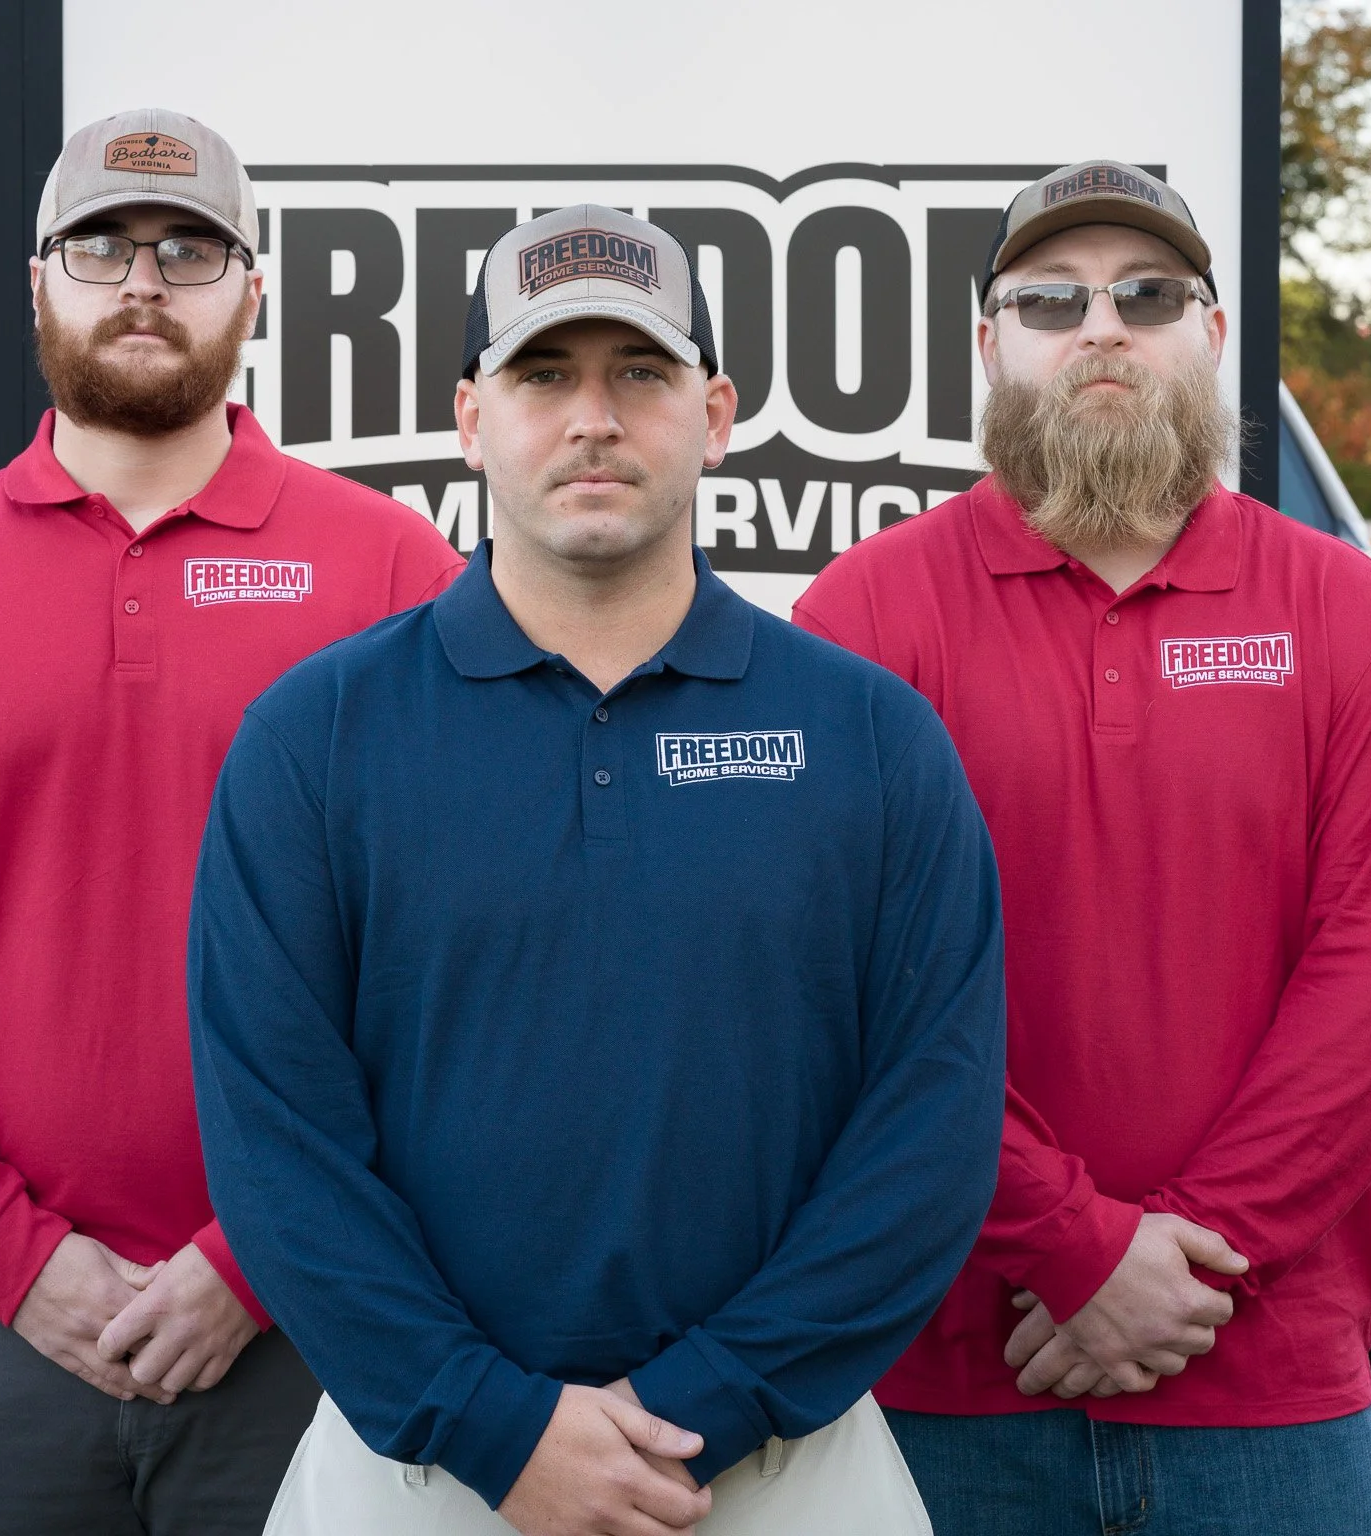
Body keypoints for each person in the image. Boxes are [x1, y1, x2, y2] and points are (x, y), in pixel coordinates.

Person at [187, 205, 1007, 1536]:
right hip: (419, 1472)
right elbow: (279, 1142)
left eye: (639, 372)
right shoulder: (319, 735)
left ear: (718, 410)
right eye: (543, 374)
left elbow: (931, 1130)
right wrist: (492, 1425)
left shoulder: (869, 736)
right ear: (468, 414)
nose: (593, 418)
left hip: (782, 1470)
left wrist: (717, 1400)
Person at [0, 108, 464, 1534]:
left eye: (190, 248)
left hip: (318, 1315)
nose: (143, 280)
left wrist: (263, 1254)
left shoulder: (392, 571)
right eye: (101, 246)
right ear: (38, 285)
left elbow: (449, 948)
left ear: (254, 293)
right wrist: (12, 1263)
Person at [794, 160, 1371, 1536]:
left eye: (1148, 294)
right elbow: (838, 989)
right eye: (1053, 298)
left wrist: (1184, 1266)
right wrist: (1078, 1246)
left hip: (1266, 1389)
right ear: (991, 348)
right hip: (942, 1386)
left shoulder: (1347, 615)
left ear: (1211, 334)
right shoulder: (865, 615)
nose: (1102, 327)